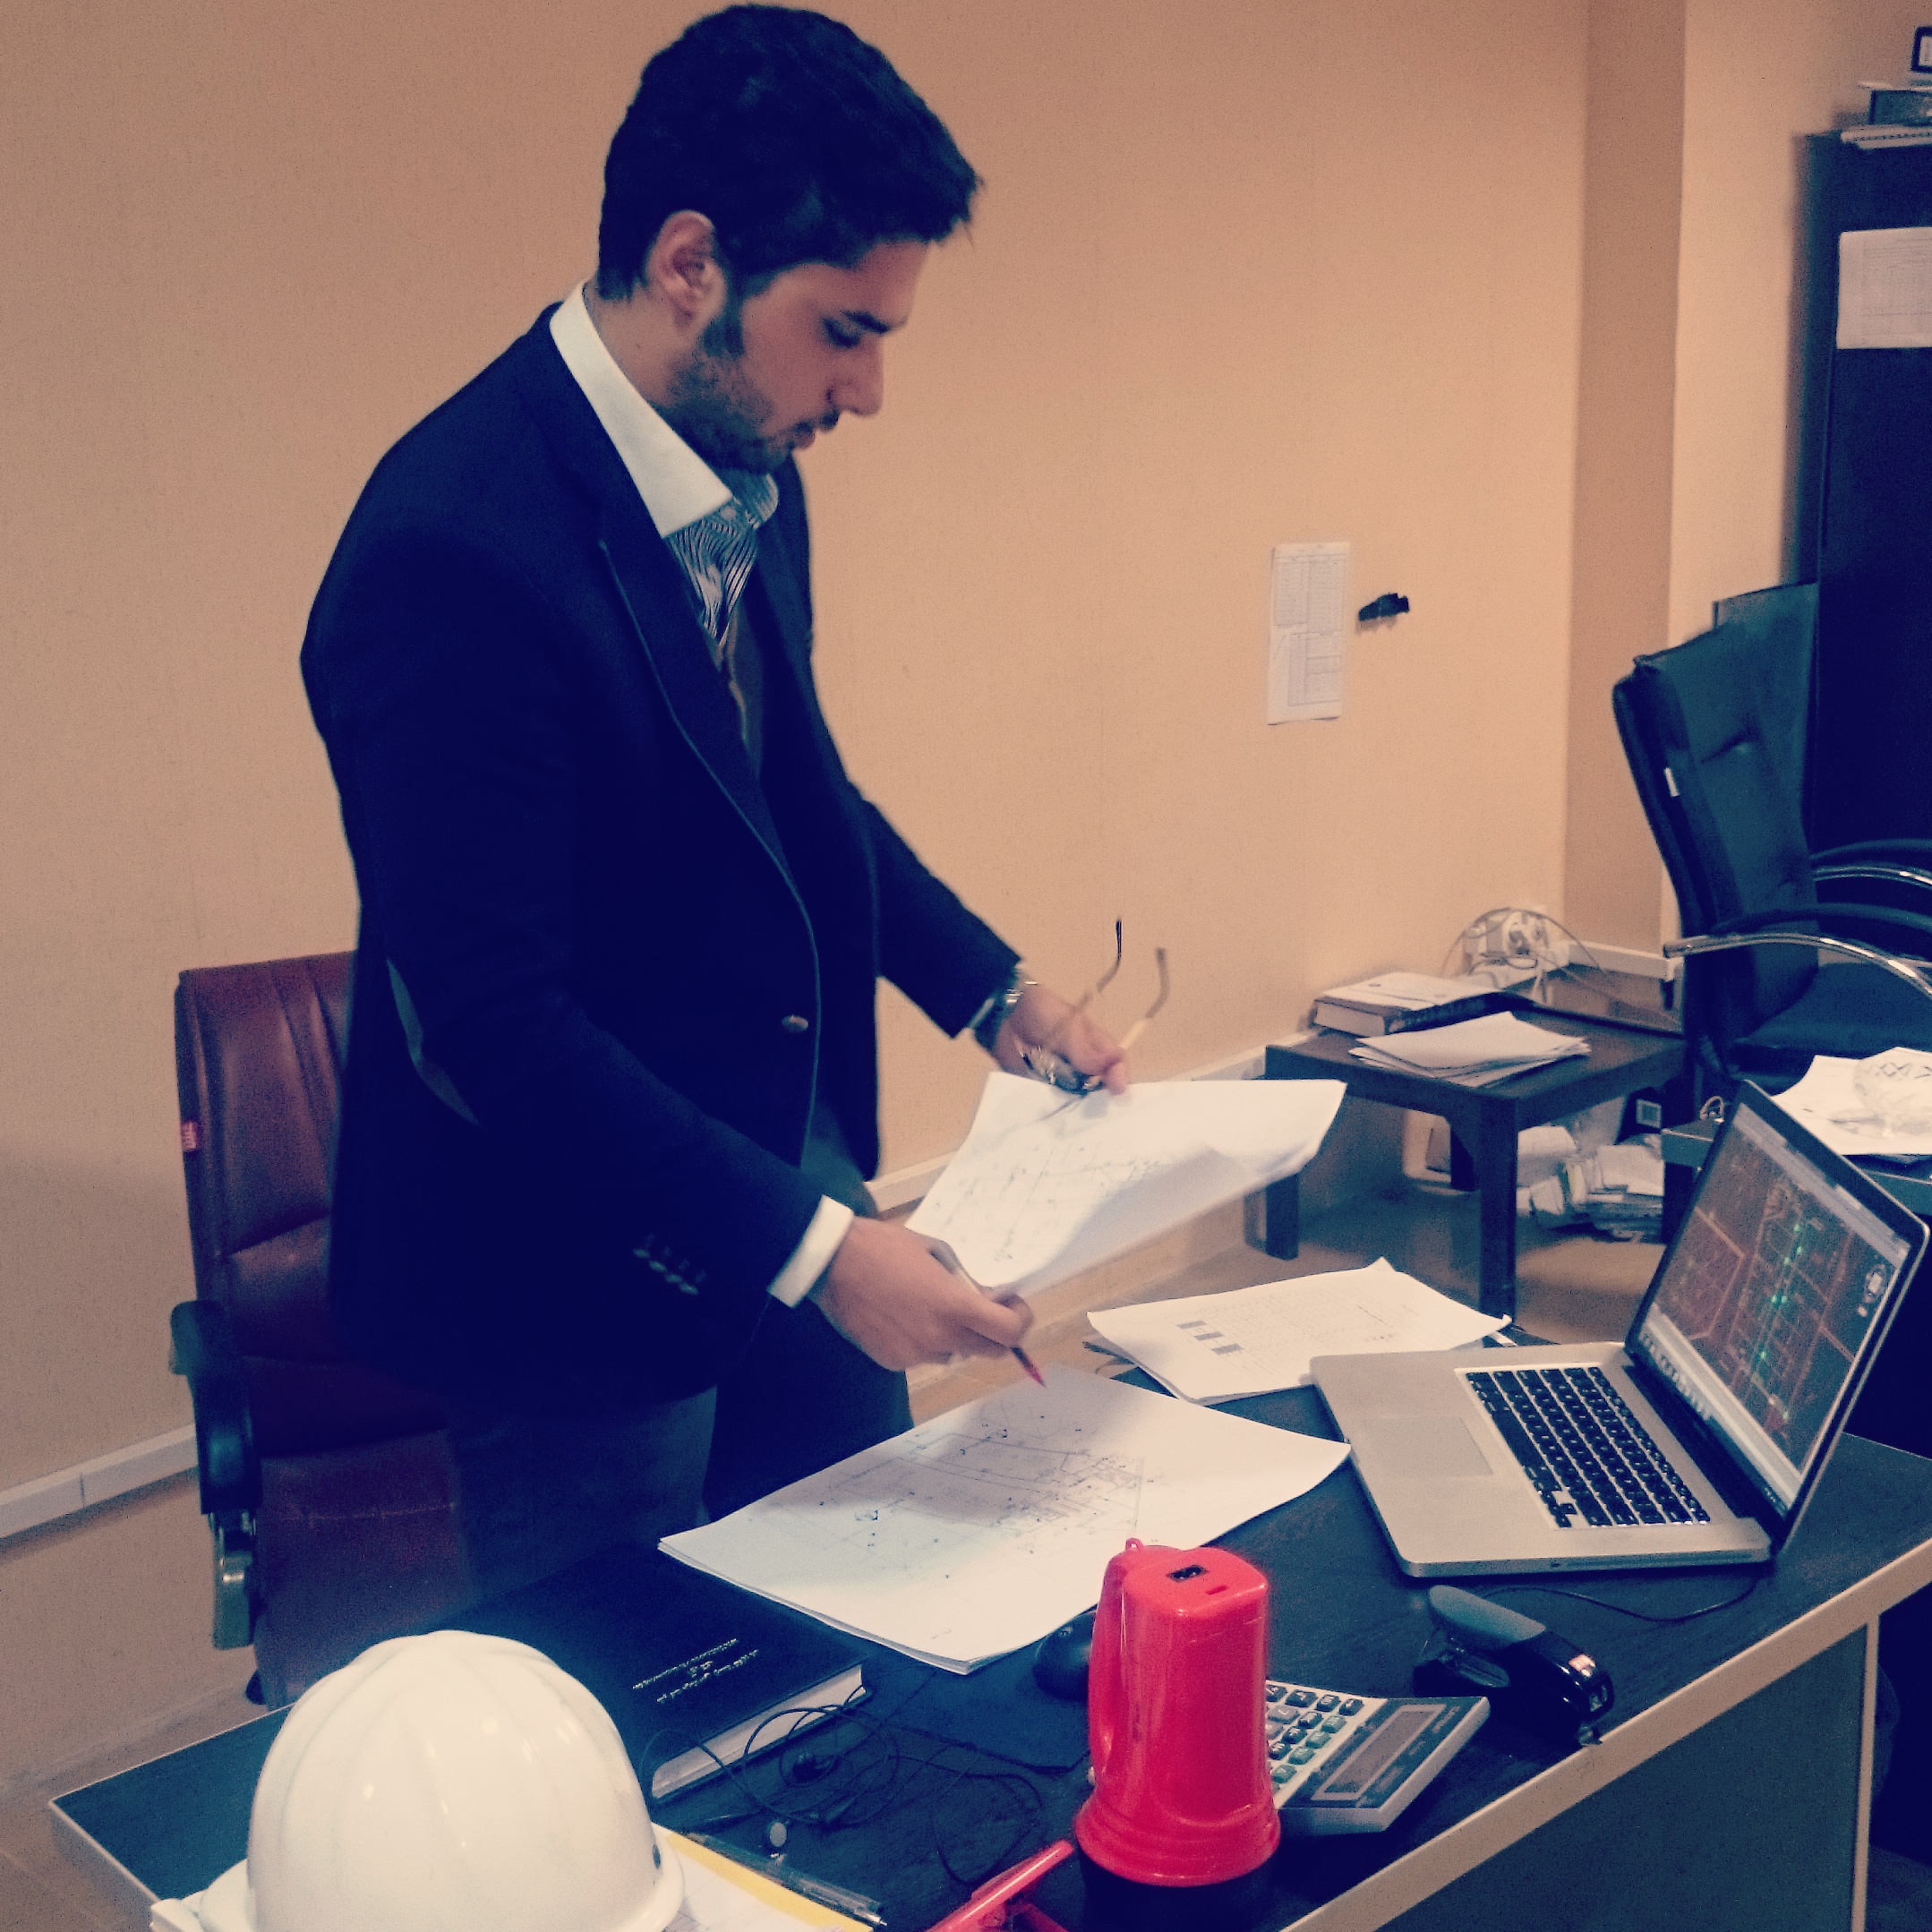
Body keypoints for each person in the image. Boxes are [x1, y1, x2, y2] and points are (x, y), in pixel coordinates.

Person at [300, 4, 1124, 1596]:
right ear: (691, 266)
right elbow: (489, 1026)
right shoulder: (451, 553)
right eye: (845, 331)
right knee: (647, 1694)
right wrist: (820, 1248)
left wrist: (996, 991)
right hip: (565, 1261)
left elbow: (794, 795)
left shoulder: (746, 465)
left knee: (868, 1610)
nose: (868, 390)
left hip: (773, 1168)